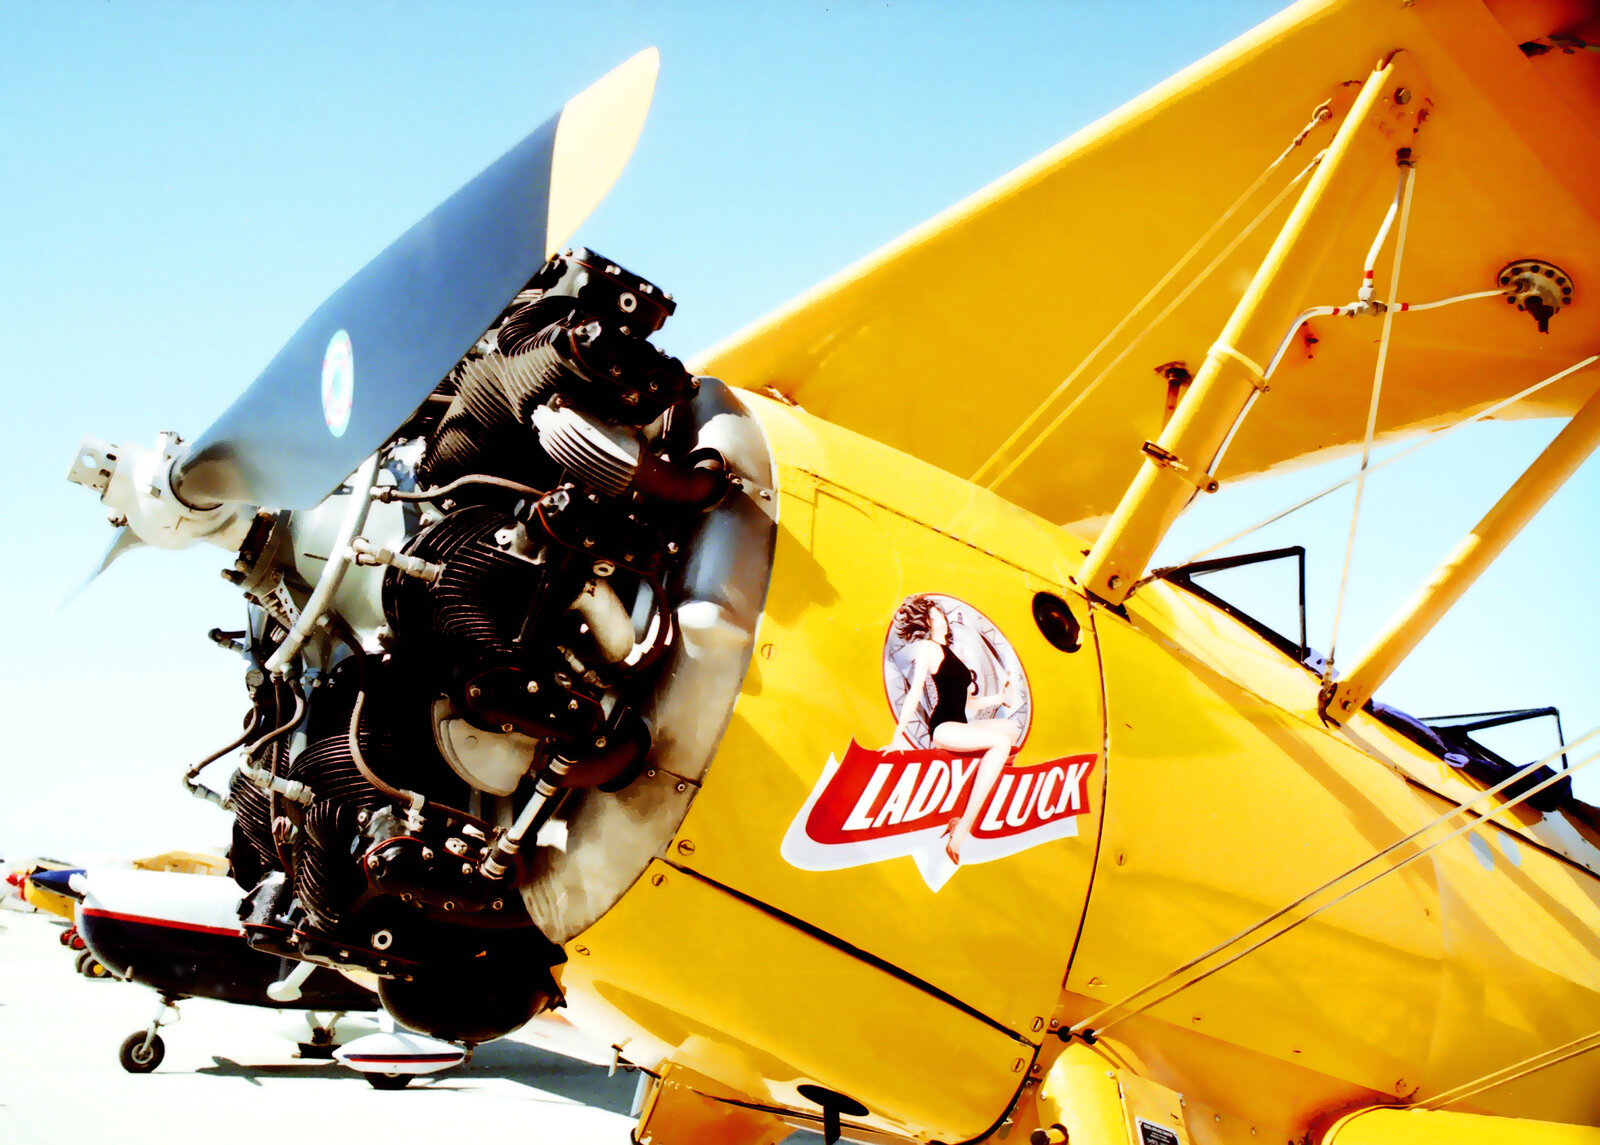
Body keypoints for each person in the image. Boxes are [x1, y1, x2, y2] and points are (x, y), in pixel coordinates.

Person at [885, 596, 1019, 865]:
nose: (942, 619)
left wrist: (999, 700)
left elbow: (968, 703)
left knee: (1010, 730)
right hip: (944, 727)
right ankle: (962, 830)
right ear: (927, 622)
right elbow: (914, 692)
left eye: (942, 615)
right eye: (936, 616)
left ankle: (970, 792)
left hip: (960, 722)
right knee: (1000, 745)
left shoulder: (951, 653)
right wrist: (898, 735)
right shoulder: (928, 649)